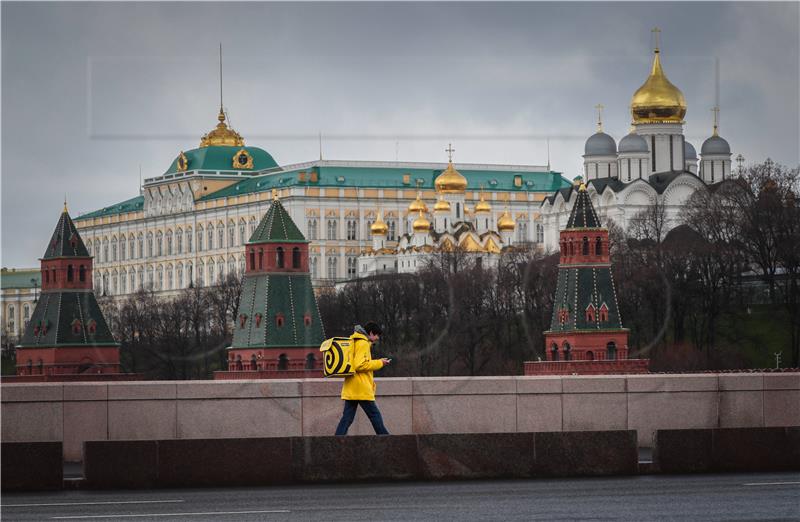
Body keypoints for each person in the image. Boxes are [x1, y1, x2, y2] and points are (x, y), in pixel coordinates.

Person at [335, 321, 391, 436]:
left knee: (347, 418)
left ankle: (337, 440)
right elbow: (360, 365)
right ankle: (386, 439)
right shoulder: (363, 343)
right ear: (370, 333)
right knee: (374, 415)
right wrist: (380, 363)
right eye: (376, 335)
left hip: (351, 386)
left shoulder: (354, 341)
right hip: (361, 387)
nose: (377, 338)